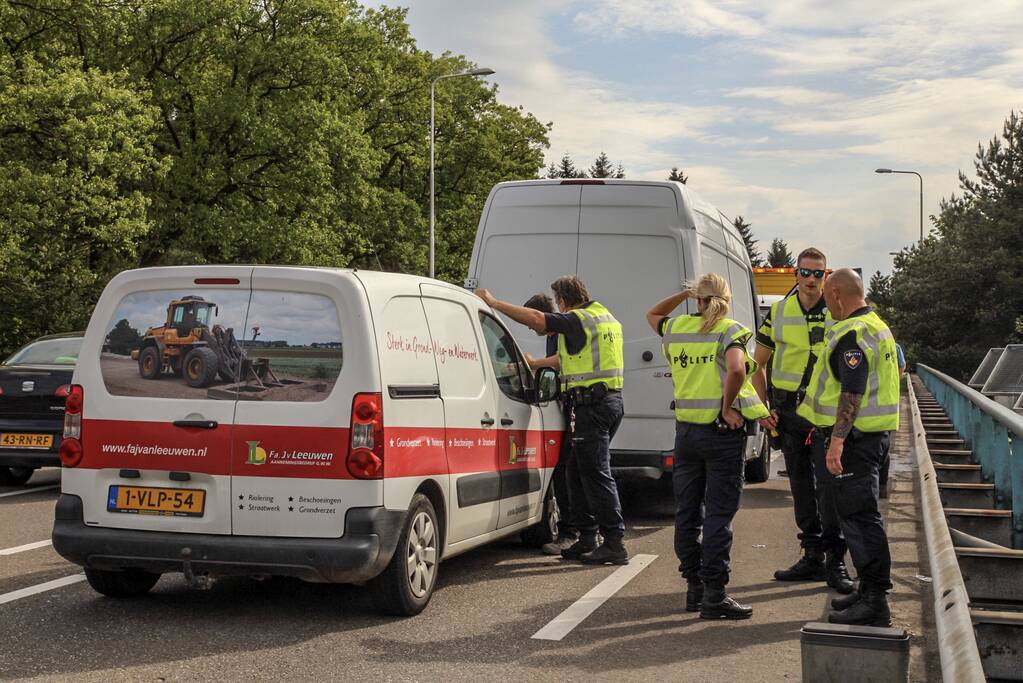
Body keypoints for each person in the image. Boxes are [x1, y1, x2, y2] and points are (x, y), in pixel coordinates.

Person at [476, 276, 628, 565]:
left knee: (596, 474)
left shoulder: (578, 319)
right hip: (605, 402)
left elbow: (536, 319)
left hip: (593, 406)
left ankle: (614, 542)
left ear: (562, 301)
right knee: (575, 471)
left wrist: (493, 303)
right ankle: (587, 538)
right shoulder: (605, 317)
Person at [646, 274, 771, 620]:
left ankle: (694, 588)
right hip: (721, 435)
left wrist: (682, 294)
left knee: (688, 512)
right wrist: (727, 407)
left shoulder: (677, 328)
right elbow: (736, 370)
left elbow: (652, 315)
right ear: (726, 301)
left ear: (697, 300)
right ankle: (715, 594)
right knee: (718, 514)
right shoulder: (729, 330)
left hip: (686, 434)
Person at [796, 268, 900, 626]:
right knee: (859, 516)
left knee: (859, 519)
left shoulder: (852, 332)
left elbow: (852, 390)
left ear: (837, 294)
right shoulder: (876, 325)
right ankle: (866, 589)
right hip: (872, 436)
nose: (826, 305)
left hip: (856, 441)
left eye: (827, 298)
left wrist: (836, 442)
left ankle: (874, 601)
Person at [752, 248, 854, 594]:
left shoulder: (839, 312)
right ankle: (812, 556)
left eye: (818, 273)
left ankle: (835, 561)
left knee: (829, 488)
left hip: (825, 416)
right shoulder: (779, 312)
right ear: (796, 274)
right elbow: (757, 364)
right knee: (800, 487)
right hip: (789, 414)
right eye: (805, 272)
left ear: (827, 276)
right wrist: (763, 407)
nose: (811, 279)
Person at [522, 293, 578, 554]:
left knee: (567, 470)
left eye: (531, 322)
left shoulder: (562, 331)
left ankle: (572, 533)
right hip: (568, 407)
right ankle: (581, 531)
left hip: (577, 408)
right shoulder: (553, 335)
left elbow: (562, 360)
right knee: (568, 470)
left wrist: (535, 363)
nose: (530, 328)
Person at [877, 343, 907, 499]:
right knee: (883, 448)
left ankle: (877, 486)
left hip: (869, 408)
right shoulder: (894, 347)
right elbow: (902, 367)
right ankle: (881, 486)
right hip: (887, 405)